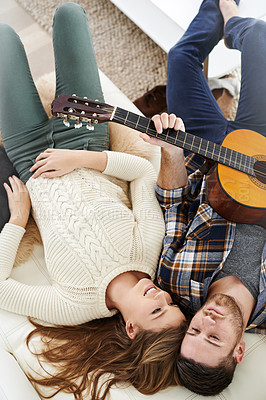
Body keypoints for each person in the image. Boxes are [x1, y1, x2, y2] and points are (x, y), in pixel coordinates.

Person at [0, 3, 188, 400]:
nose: (161, 294)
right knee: (69, 14)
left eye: (157, 309)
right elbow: (141, 172)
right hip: (84, 137)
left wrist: (18, 220)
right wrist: (80, 158)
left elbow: (1, 288)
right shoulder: (148, 250)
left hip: (29, 157)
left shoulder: (73, 306)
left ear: (131, 328)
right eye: (170, 302)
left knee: (2, 39)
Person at [140, 0, 266, 396]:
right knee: (261, 41)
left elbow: (173, 203)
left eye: (195, 329)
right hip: (260, 145)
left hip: (208, 153)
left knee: (181, 58)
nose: (206, 321)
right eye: (214, 338)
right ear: (240, 350)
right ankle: (235, 19)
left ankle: (225, 9)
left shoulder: (177, 282)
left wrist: (170, 151)